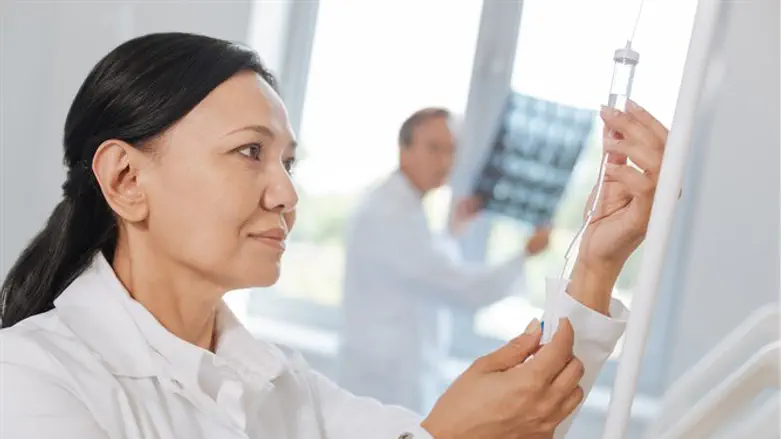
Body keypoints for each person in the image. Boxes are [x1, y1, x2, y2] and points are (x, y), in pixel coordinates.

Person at [0, 32, 669, 439]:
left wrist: (596, 263)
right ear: (125, 178)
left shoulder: (281, 386)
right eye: (248, 152)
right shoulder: (28, 376)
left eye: (287, 161)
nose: (285, 193)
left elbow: (519, 421)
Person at [338, 107, 551, 412]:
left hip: (391, 373)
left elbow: (419, 269)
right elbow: (462, 289)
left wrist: (452, 233)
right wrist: (524, 254)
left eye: (451, 150)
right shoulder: (388, 215)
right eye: (434, 148)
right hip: (384, 379)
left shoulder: (402, 207)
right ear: (404, 150)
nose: (445, 162)